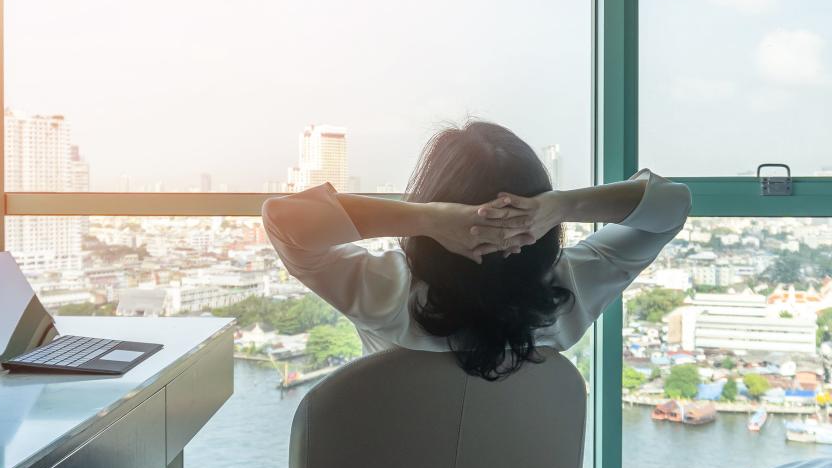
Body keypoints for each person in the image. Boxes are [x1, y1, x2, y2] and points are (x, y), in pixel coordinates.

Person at [261, 120, 691, 380]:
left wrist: (427, 219)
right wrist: (562, 205)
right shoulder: (570, 293)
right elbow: (673, 204)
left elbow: (284, 219)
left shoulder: (386, 293)